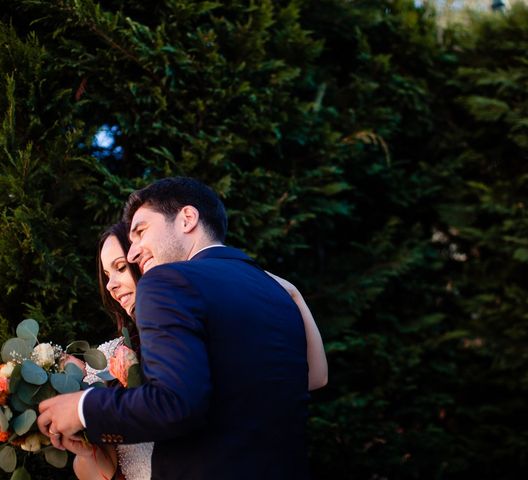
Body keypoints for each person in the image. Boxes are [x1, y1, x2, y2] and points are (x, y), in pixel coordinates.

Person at [41, 178, 325, 479]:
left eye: (141, 232)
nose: (135, 252)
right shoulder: (277, 292)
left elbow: (175, 404)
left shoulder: (166, 282)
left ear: (188, 218)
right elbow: (306, 379)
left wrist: (83, 407)